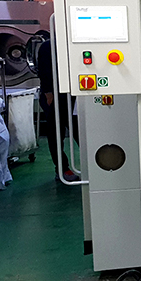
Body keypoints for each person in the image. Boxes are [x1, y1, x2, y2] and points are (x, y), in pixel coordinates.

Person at [35, 39, 80, 182]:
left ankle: (92, 163)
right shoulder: (48, 46)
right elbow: (44, 72)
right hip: (55, 96)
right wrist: (49, 94)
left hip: (73, 94)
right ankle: (62, 169)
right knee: (56, 134)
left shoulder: (74, 43)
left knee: (79, 131)